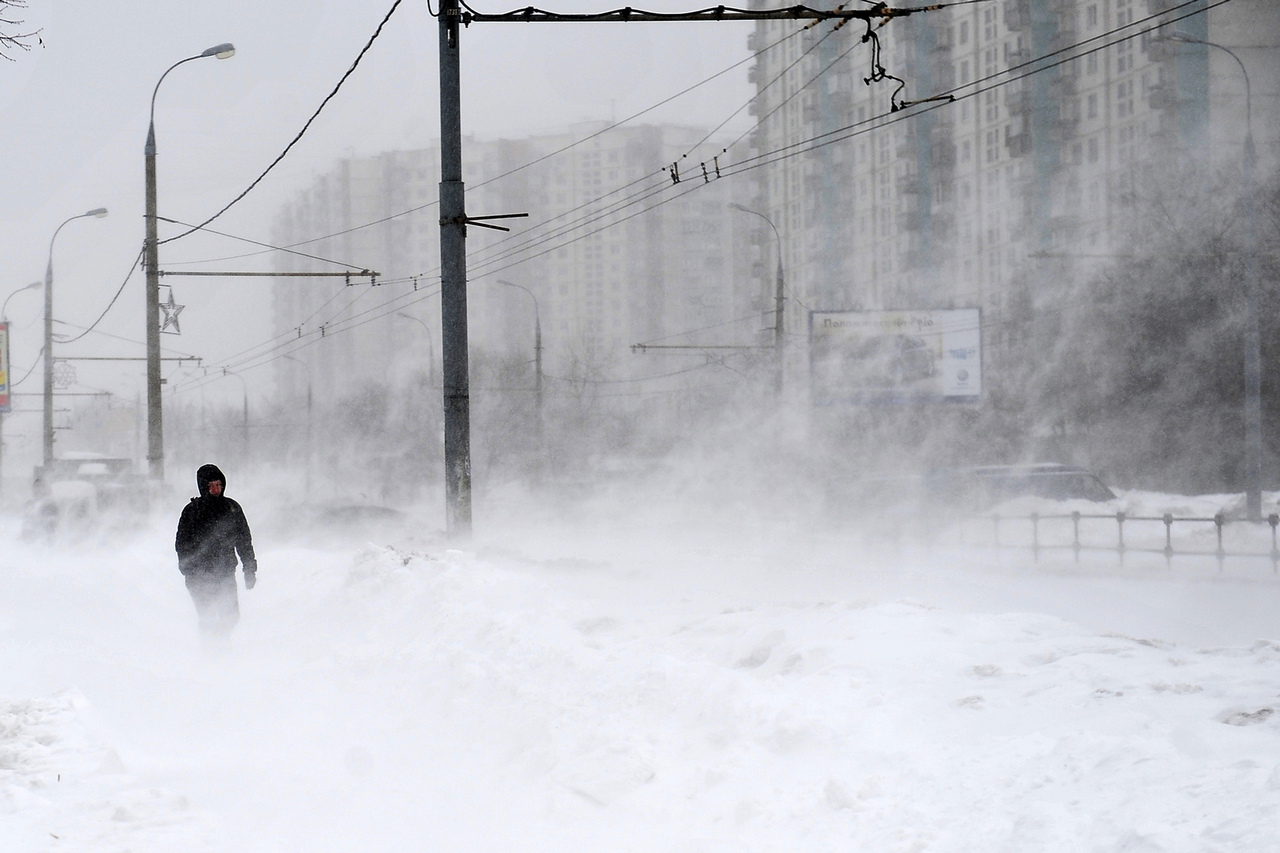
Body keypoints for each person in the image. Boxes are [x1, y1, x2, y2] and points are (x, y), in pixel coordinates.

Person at [175, 464, 257, 644]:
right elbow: (182, 543)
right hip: (199, 576)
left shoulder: (231, 508)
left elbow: (244, 541)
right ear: (203, 486)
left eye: (219, 485)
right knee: (208, 617)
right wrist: (187, 569)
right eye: (211, 485)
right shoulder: (192, 511)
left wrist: (249, 569)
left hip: (225, 574)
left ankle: (220, 645)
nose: (216, 489)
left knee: (231, 616)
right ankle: (211, 653)